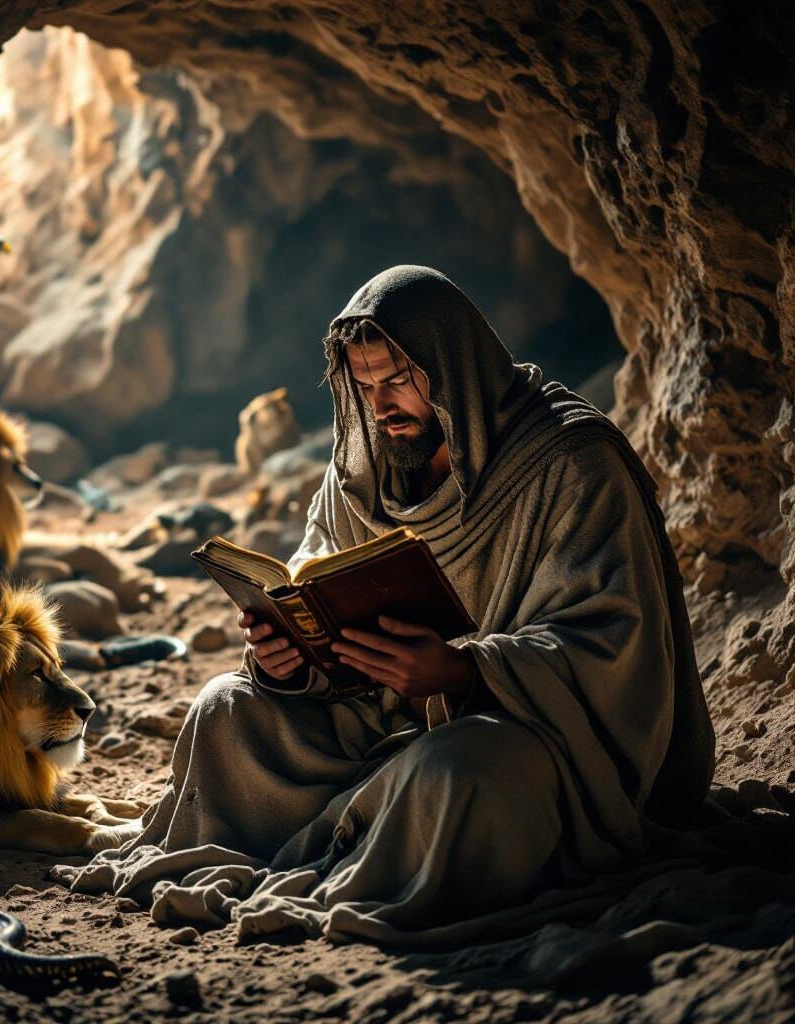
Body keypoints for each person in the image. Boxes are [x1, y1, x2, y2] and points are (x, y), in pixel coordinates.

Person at [68, 265, 715, 946]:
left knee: (456, 774)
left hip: (525, 730)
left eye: (400, 381)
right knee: (225, 709)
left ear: (455, 366)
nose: (381, 406)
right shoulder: (363, 466)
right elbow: (314, 588)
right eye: (365, 386)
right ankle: (360, 833)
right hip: (375, 724)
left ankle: (375, 844)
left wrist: (465, 673)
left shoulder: (573, 462)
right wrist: (288, 660)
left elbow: (618, 648)